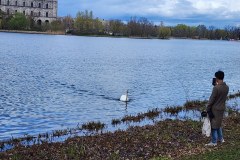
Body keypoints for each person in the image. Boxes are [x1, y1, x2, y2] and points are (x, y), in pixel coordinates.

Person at [205, 70, 229, 146]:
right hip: (222, 108)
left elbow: (212, 99)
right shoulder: (226, 87)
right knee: (219, 124)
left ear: (217, 78)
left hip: (215, 109)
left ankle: (214, 141)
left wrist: (207, 108)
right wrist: (216, 86)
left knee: (213, 125)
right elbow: (220, 96)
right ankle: (221, 139)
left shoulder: (216, 88)